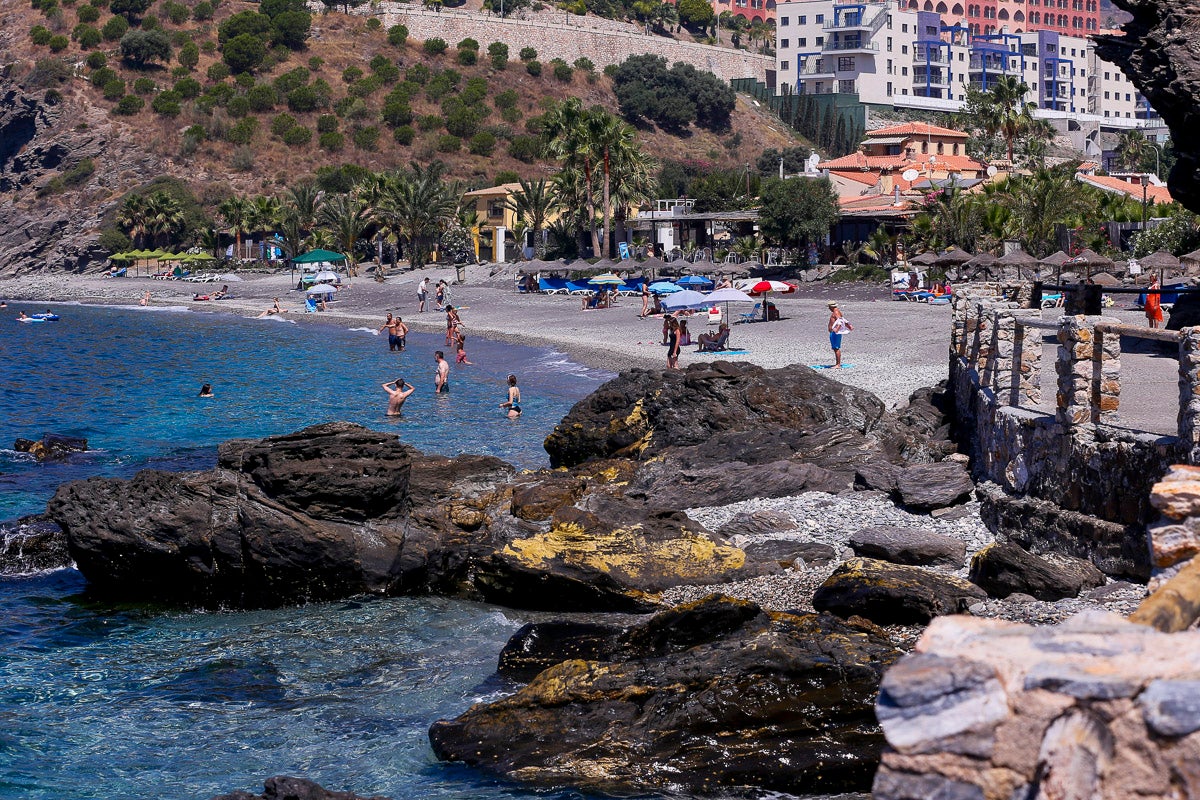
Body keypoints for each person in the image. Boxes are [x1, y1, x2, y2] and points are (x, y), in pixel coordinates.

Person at [827, 301, 853, 368]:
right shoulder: (837, 311)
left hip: (835, 332)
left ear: (831, 307)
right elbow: (843, 320)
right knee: (835, 348)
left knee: (836, 348)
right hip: (835, 332)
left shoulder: (836, 312)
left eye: (829, 307)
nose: (829, 308)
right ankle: (837, 364)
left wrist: (837, 330)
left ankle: (838, 364)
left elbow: (840, 322)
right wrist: (849, 326)